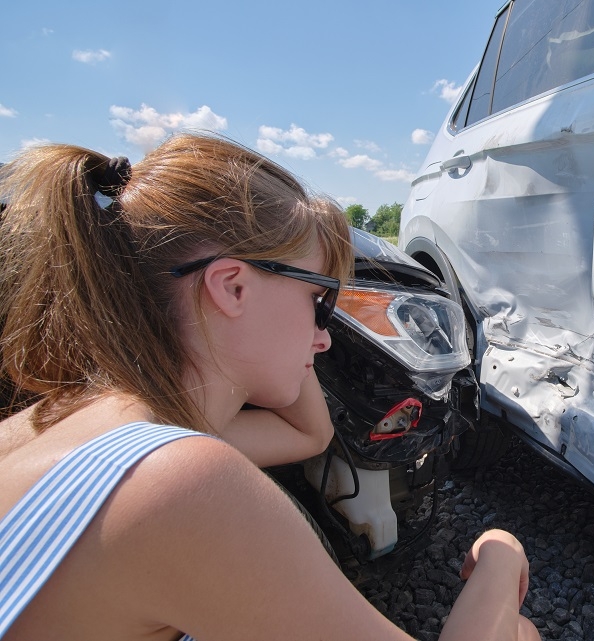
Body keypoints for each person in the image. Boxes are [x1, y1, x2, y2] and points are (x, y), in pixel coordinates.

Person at [0, 132, 541, 641]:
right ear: (232, 287)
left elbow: (309, 433)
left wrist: (283, 331)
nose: (325, 336)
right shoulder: (176, 482)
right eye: (321, 299)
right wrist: (501, 554)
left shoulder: (68, 419)